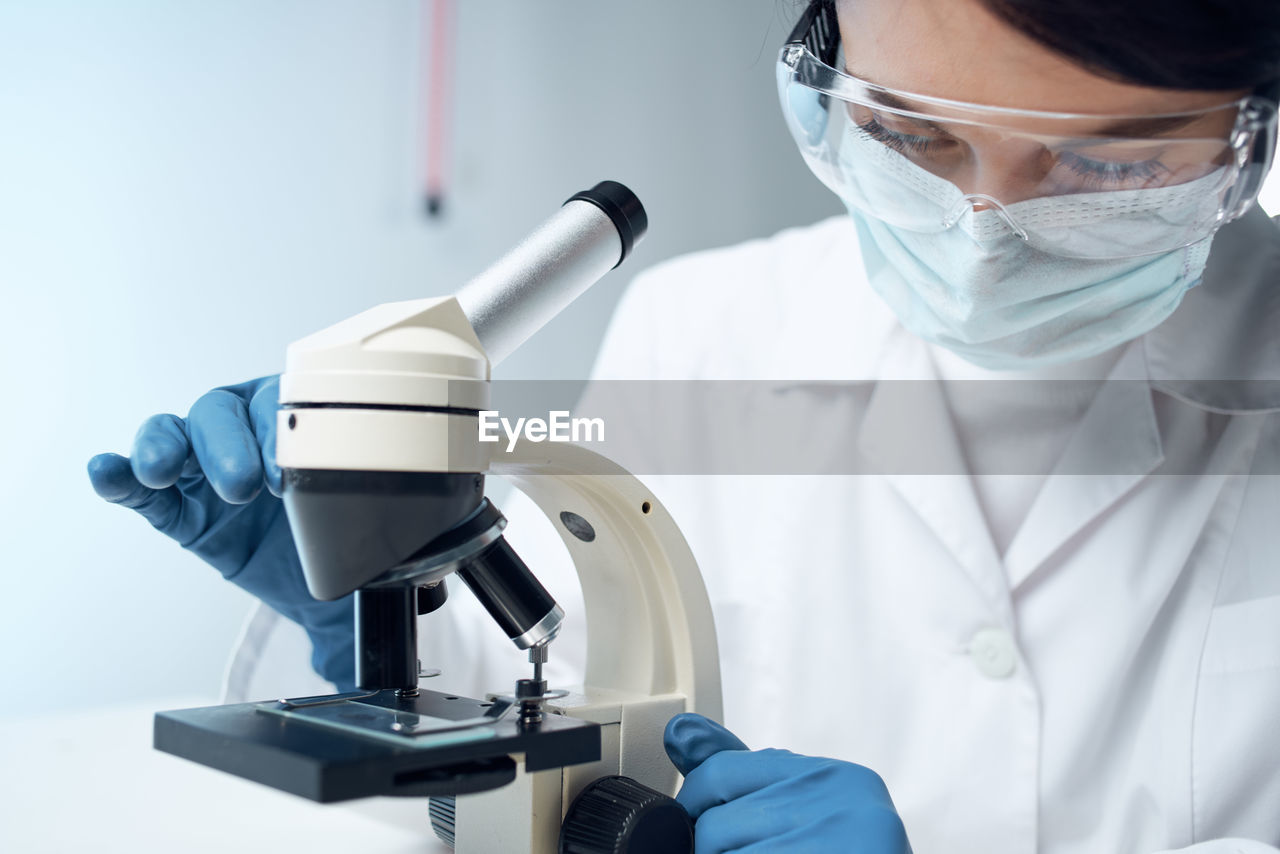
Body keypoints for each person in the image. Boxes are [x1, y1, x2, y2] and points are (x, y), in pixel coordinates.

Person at [89, 0, 1280, 851]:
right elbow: (546, 694)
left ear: (1248, 135)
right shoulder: (704, 326)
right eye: (909, 137)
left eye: (1103, 168)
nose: (981, 238)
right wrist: (367, 605)